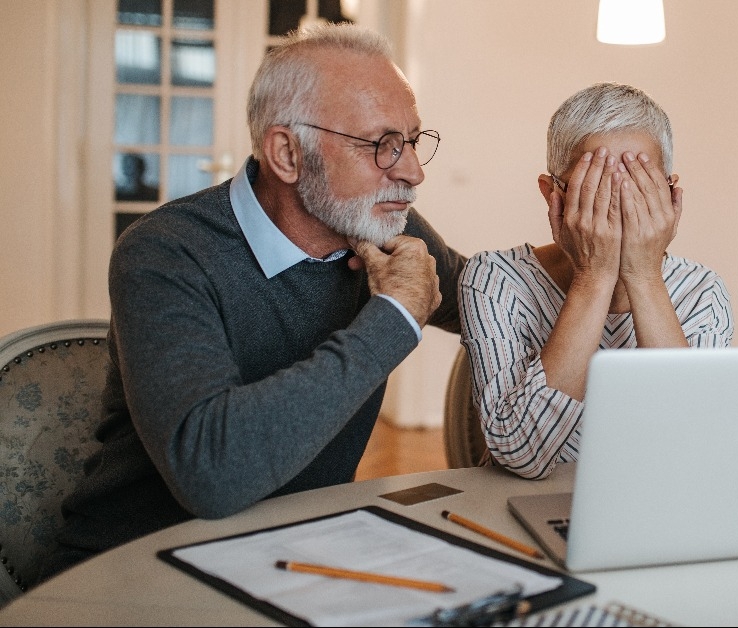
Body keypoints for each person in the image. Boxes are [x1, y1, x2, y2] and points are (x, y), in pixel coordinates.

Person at [41, 23, 465, 582]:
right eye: (381, 146)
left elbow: (487, 296)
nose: (413, 171)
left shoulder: (379, 226)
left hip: (291, 558)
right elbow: (211, 474)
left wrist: (595, 242)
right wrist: (392, 320)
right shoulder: (166, 253)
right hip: (135, 573)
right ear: (287, 153)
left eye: (412, 140)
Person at [458, 82, 734, 480]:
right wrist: (594, 275)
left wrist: (643, 275)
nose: (617, 206)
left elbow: (693, 448)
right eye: (596, 188)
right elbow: (521, 455)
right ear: (553, 194)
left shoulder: (702, 292)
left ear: (671, 197)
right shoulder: (494, 280)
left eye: (640, 187)